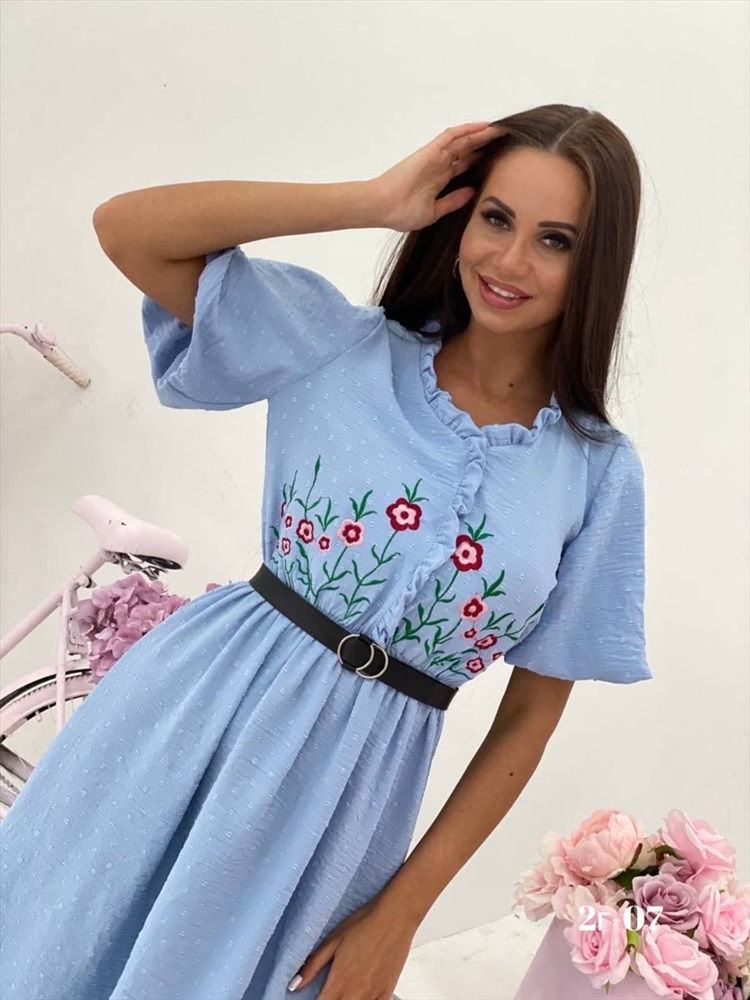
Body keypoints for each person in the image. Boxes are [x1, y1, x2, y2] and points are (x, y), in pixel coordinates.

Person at [0, 106, 653, 1000]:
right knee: (59, 952)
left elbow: (529, 718)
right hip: (186, 720)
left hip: (347, 807)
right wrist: (374, 199)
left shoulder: (599, 474)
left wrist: (401, 913)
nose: (508, 261)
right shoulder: (339, 343)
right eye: (494, 218)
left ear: (595, 264)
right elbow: (128, 229)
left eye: (555, 240)